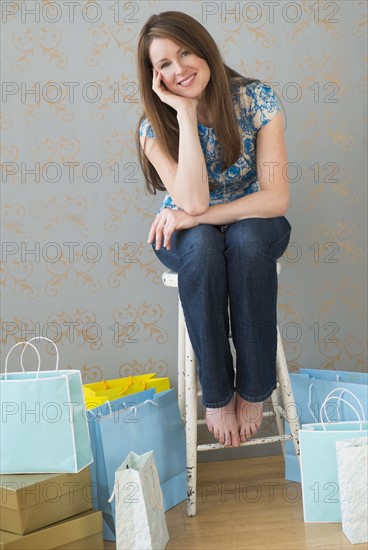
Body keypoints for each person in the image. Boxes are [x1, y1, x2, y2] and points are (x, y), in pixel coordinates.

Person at [136, 11, 292, 448]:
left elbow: (276, 198)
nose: (179, 68)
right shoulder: (153, 128)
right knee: (204, 248)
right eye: (164, 64)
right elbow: (195, 201)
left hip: (250, 224)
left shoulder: (257, 101)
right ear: (155, 76)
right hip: (187, 233)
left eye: (184, 52)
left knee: (244, 241)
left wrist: (195, 216)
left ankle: (253, 388)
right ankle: (218, 395)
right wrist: (184, 115)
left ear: (204, 47)